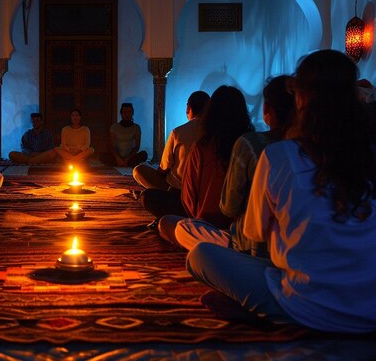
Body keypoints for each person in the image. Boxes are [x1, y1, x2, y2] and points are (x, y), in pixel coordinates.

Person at [187, 50, 376, 333]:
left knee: (200, 255)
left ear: (300, 101)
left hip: (302, 305)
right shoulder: (369, 155)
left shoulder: (281, 156)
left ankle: (256, 309)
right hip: (368, 310)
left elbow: (253, 233)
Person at [173, 76, 295, 254]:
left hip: (241, 240)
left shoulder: (248, 144)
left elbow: (225, 207)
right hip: (285, 247)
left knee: (177, 227)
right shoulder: (304, 150)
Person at [158, 85, 253, 243]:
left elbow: (187, 198)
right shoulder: (251, 144)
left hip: (209, 229)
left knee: (166, 224)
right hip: (245, 232)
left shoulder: (202, 146)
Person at [134, 91, 209, 227]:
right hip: (208, 200)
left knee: (140, 174)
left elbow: (164, 168)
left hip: (179, 195)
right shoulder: (218, 133)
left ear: (188, 108)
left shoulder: (178, 132)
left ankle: (174, 216)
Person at [102, 102, 148, 167]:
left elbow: (137, 147)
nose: (127, 115)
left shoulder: (136, 127)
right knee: (103, 156)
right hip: (117, 156)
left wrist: (127, 159)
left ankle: (125, 163)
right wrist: (118, 158)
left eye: (129, 112)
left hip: (130, 157)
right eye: (125, 113)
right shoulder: (114, 127)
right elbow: (111, 146)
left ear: (132, 113)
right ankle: (121, 163)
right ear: (121, 114)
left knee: (144, 154)